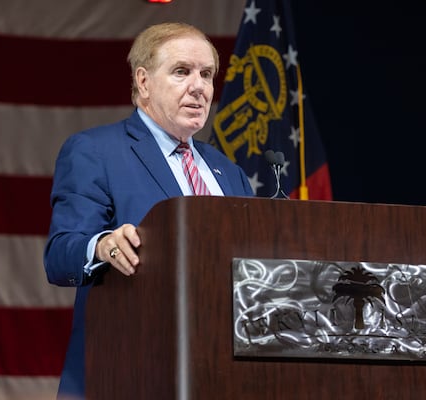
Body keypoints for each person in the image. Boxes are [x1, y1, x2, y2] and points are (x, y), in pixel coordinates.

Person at [43, 22, 254, 400]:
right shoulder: (96, 151)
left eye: (206, 74)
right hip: (127, 375)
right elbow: (60, 256)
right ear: (143, 82)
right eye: (181, 72)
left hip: (221, 377)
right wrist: (104, 245)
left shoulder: (230, 172)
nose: (199, 87)